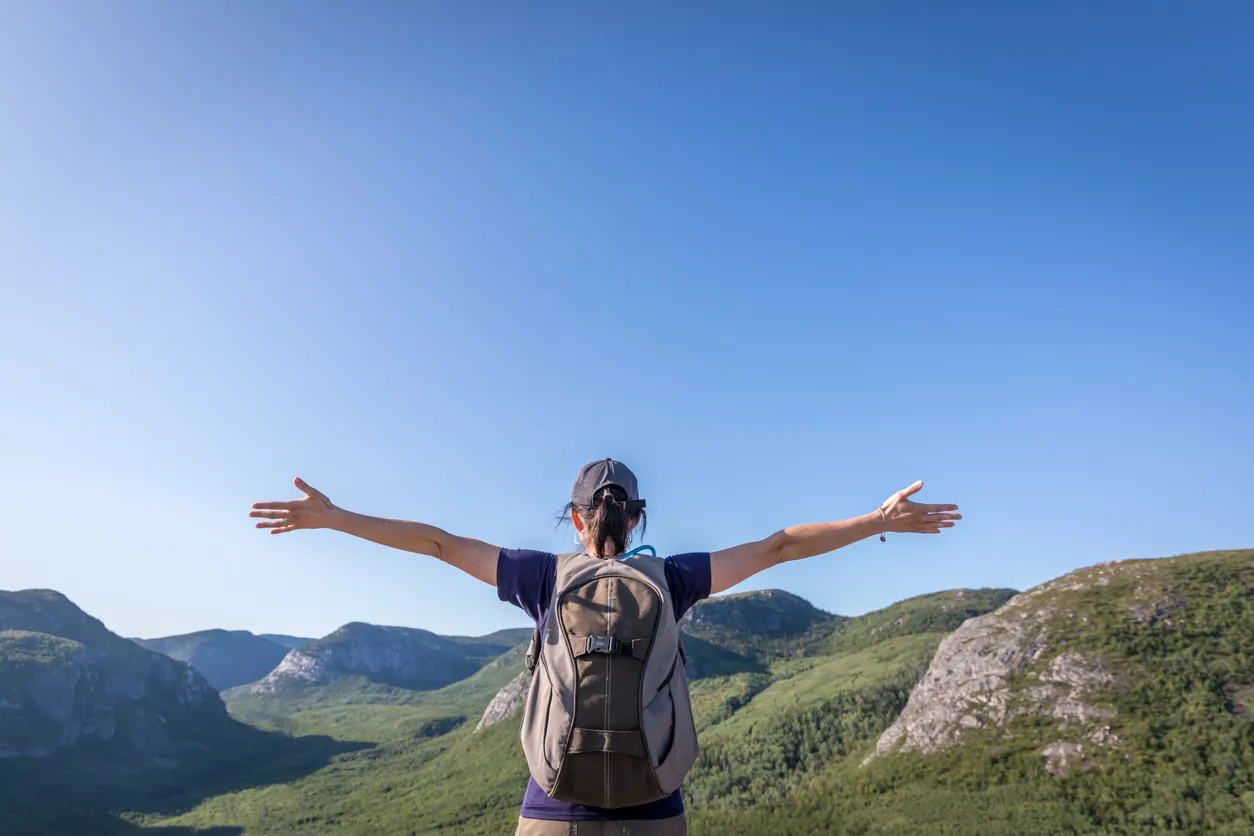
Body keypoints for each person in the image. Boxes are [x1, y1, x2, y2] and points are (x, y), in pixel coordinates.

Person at [249, 459, 960, 835]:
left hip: (554, 806)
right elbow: (776, 547)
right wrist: (875, 520)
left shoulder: (539, 577)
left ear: (578, 519)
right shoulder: (674, 578)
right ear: (637, 515)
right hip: (654, 805)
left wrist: (335, 518)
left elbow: (437, 542)